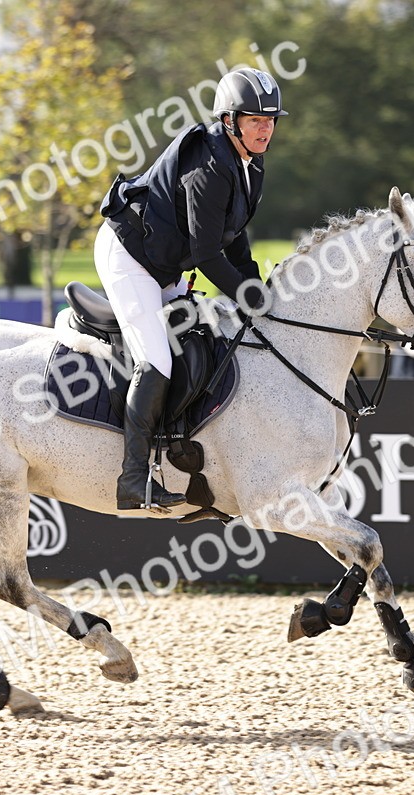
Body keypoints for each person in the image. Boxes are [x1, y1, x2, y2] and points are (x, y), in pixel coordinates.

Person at [96, 67, 286, 511]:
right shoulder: (209, 165)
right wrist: (247, 296)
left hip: (163, 261)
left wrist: (255, 287)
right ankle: (133, 479)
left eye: (271, 120)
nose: (265, 129)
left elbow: (232, 237)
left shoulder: (249, 164)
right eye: (255, 120)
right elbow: (205, 254)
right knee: (157, 358)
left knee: (198, 338)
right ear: (229, 121)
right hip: (129, 255)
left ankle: (181, 447)